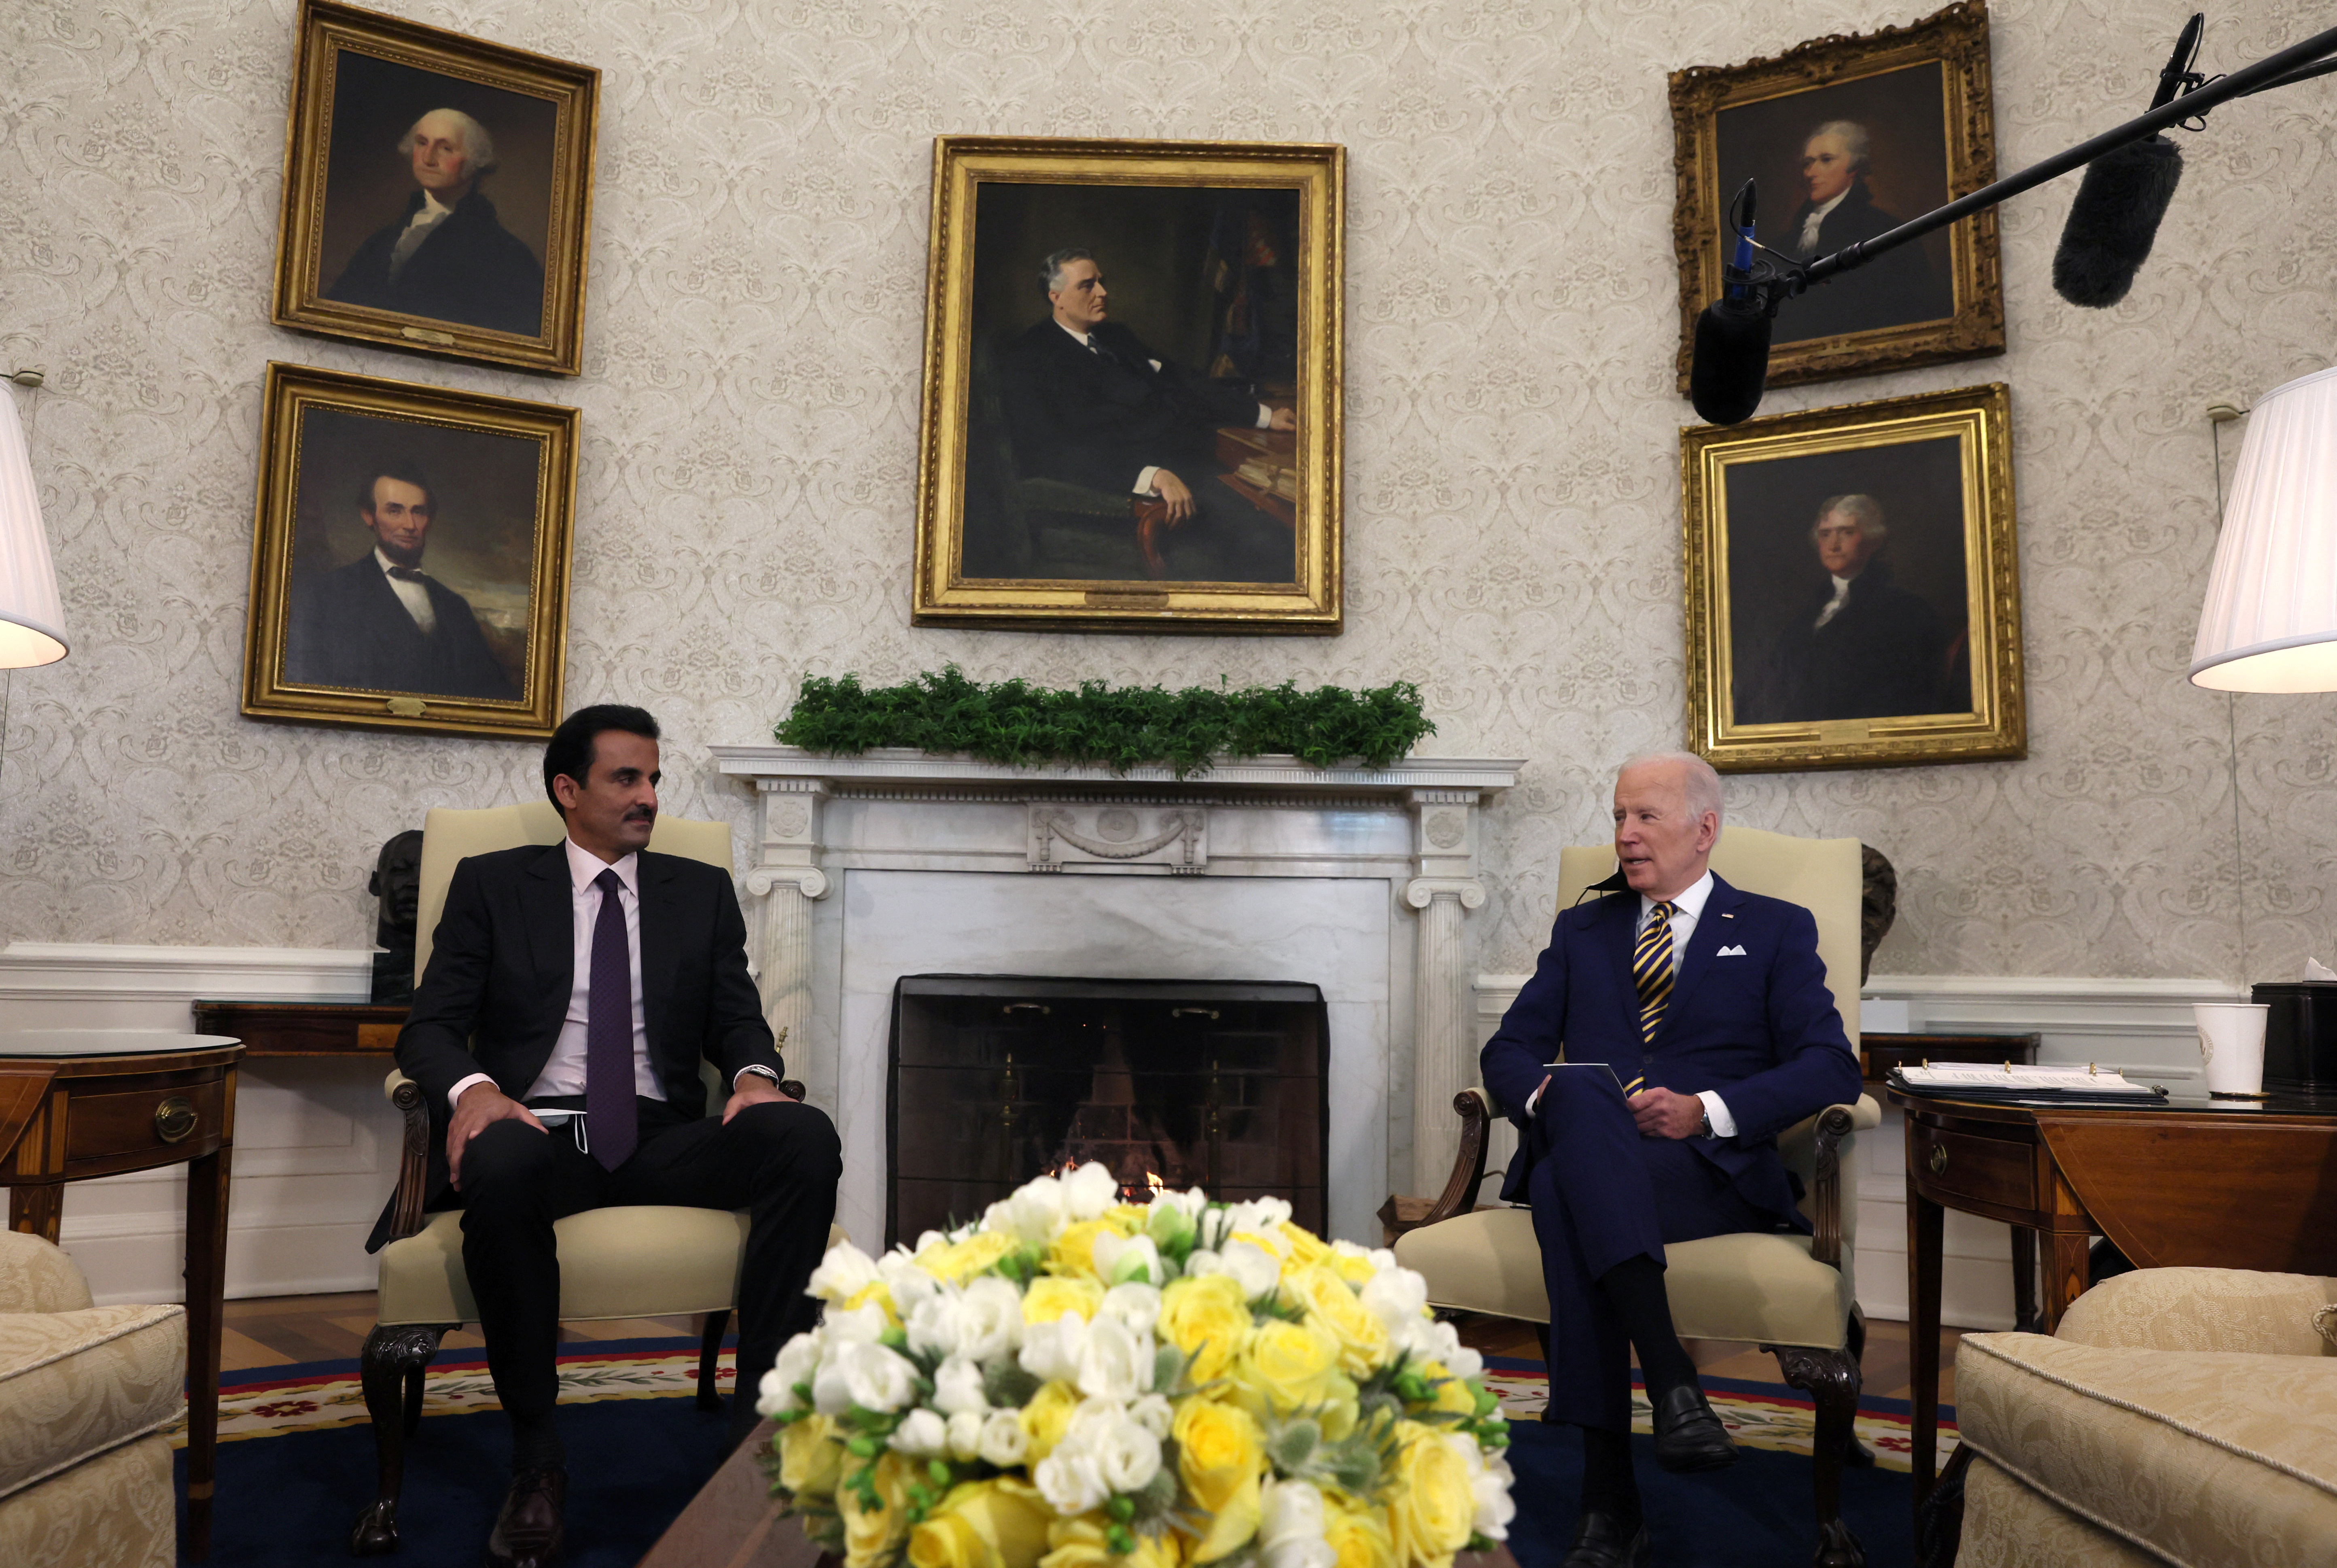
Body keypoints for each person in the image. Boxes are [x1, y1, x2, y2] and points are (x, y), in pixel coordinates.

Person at [383, 706, 842, 1568]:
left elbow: (737, 1017)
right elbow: (430, 1028)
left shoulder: (693, 892)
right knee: (503, 1153)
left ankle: (764, 1439)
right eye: (626, 778)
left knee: (804, 1137)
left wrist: (753, 1075)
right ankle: (537, 1456)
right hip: (538, 1132)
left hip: (658, 1134)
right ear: (569, 789)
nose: (648, 796)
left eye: (654, 778)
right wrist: (478, 1092)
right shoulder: (492, 883)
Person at [1479, 753, 1862, 1568]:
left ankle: (1607, 1498)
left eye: (1644, 816)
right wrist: (1558, 1100)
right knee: (1577, 1099)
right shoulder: (1582, 928)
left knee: (1559, 1187)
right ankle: (1671, 1382)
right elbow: (1508, 1047)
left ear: (1703, 827)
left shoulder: (1773, 927)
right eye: (1618, 816)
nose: (1623, 834)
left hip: (1706, 1171)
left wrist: (1704, 1111)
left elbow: (1831, 1065)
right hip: (1600, 1153)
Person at [996, 247, 1296, 581]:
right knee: (1267, 541)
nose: (1103, 293)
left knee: (1281, 518)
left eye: (1102, 283)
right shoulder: (1028, 358)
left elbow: (1183, 383)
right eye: (1088, 285)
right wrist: (1151, 476)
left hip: (1195, 466)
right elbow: (1052, 451)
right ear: (1057, 297)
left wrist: (1263, 416)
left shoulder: (1115, 337)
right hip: (1133, 491)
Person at [284, 463, 520, 700]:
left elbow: (493, 693)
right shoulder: (330, 594)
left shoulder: (455, 606)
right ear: (369, 516)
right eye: (395, 511)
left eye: (418, 512)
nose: (410, 525)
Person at [327, 107, 545, 337]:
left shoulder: (506, 254)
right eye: (422, 143)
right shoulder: (382, 242)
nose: (428, 159)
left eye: (445, 149)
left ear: (475, 161)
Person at [1737, 494, 1954, 725]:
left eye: (1847, 532)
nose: (1834, 545)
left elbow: (1913, 697)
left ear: (1874, 540)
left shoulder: (1908, 612)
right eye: (1825, 534)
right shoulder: (1806, 615)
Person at [1772, 119, 1949, 340]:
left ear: (1854, 168)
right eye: (1808, 163)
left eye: (1826, 160)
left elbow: (1915, 311)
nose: (1811, 173)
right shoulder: (1784, 243)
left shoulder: (1887, 233)